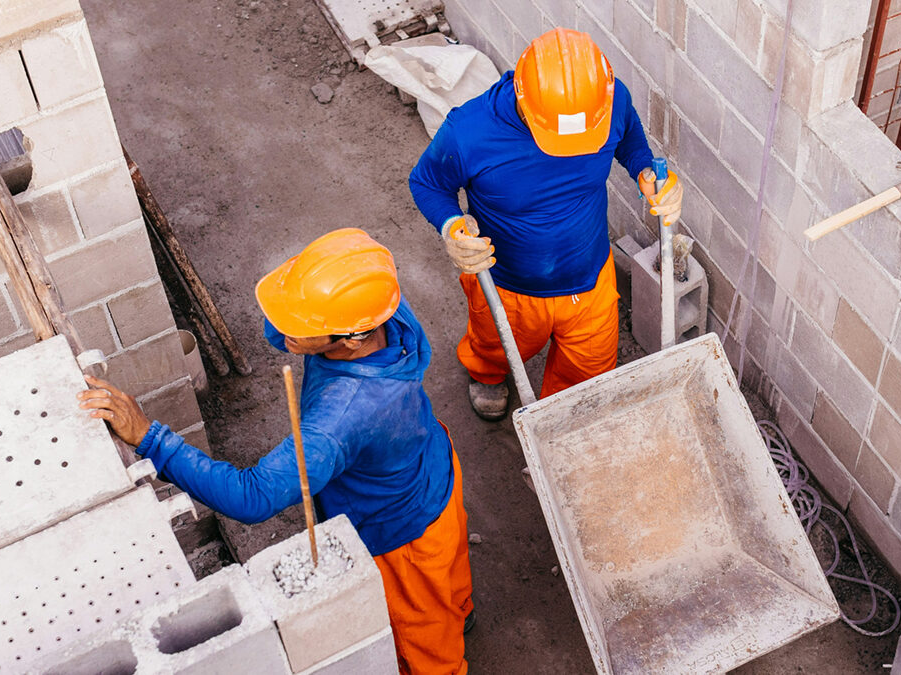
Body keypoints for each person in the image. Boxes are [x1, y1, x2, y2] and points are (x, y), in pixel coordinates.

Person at [78, 228, 473, 675]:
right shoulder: (381, 307)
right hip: (435, 468)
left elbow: (254, 497)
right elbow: (281, 329)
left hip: (401, 535)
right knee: (450, 582)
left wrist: (151, 438)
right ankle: (459, 610)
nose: (285, 331)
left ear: (351, 340)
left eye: (301, 326)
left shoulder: (340, 421)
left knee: (426, 645)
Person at [409, 27, 684, 421]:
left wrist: (647, 172)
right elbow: (426, 182)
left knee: (585, 385)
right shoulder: (469, 132)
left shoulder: (609, 101)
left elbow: (631, 143)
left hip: (589, 278)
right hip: (507, 284)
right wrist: (451, 226)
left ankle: (562, 420)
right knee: (496, 345)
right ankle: (487, 373)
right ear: (524, 102)